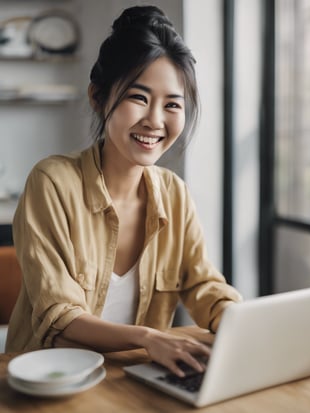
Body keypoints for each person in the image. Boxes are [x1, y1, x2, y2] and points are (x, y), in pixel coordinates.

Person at [6, 5, 242, 377]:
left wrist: (239, 319)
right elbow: (59, 315)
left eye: (173, 105)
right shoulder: (51, 182)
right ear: (98, 97)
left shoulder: (175, 193)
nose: (155, 120)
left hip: (132, 378)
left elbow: (203, 284)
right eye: (139, 97)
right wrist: (150, 338)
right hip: (49, 381)